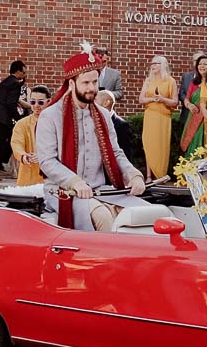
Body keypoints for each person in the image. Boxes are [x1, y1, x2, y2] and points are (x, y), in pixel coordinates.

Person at [36, 46, 146, 231]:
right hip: (63, 191)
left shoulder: (103, 115)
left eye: (94, 82)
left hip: (101, 191)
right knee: (103, 218)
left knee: (144, 215)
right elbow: (47, 162)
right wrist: (75, 182)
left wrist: (134, 175)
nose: (92, 88)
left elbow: (116, 153)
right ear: (71, 84)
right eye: (86, 83)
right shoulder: (50, 116)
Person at [137, 57, 178, 180]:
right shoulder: (148, 81)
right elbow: (141, 99)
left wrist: (163, 99)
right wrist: (152, 99)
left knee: (161, 146)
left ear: (163, 65)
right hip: (150, 115)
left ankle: (160, 174)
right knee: (148, 144)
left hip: (163, 117)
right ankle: (149, 175)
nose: (153, 65)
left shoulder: (171, 81)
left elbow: (175, 102)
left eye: (156, 63)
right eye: (152, 63)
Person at [0, 60, 26, 171]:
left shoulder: (7, 81)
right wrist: (19, 118)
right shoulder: (15, 83)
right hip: (3, 116)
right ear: (18, 72)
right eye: (23, 73)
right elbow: (10, 103)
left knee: (0, 140)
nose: (24, 75)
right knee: (11, 138)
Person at [10, 85, 50, 186]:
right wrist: (23, 156)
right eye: (32, 102)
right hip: (28, 177)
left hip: (51, 178)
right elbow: (16, 144)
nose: (36, 105)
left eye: (40, 102)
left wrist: (44, 156)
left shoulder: (57, 123)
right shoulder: (22, 124)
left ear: (49, 102)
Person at [178, 54, 207, 157]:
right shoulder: (194, 82)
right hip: (193, 118)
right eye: (200, 64)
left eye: (205, 64)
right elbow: (186, 98)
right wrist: (189, 105)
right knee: (192, 146)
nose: (202, 66)